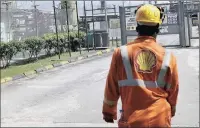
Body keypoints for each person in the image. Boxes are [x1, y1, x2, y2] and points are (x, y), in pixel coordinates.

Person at [102, 4, 179, 128]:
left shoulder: (121, 53)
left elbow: (111, 86)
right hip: (160, 119)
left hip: (131, 121)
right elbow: (173, 90)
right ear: (158, 28)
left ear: (137, 26)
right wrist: (172, 110)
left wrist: (108, 112)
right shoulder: (168, 56)